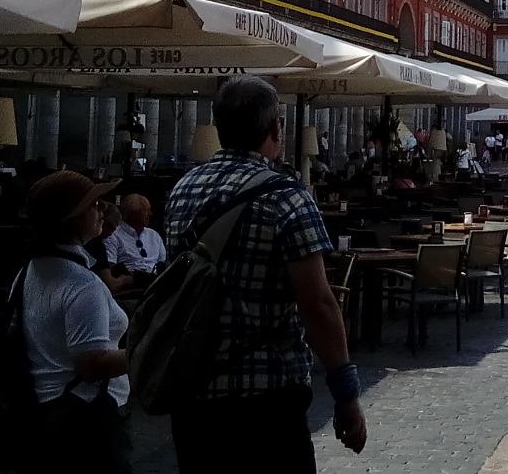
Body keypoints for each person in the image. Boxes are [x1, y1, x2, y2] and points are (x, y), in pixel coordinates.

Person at [164, 76, 366, 471]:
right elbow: (318, 304)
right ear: (276, 128)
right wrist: (346, 394)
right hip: (266, 395)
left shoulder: (182, 190)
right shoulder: (286, 196)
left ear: (219, 128)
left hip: (193, 387)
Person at [21, 170, 131, 473]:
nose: (101, 209)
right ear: (72, 218)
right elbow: (91, 363)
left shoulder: (32, 269)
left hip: (46, 408)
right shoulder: (83, 285)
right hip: (87, 418)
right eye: (94, 204)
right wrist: (145, 352)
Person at [108, 194, 165, 279]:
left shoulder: (154, 235)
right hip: (130, 286)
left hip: (156, 283)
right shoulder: (113, 235)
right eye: (146, 210)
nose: (150, 214)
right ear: (132, 213)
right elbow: (110, 269)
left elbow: (163, 264)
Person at [85, 201, 135, 296]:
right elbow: (110, 285)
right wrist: (125, 279)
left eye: (114, 229)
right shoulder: (97, 246)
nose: (111, 233)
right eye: (110, 227)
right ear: (100, 220)